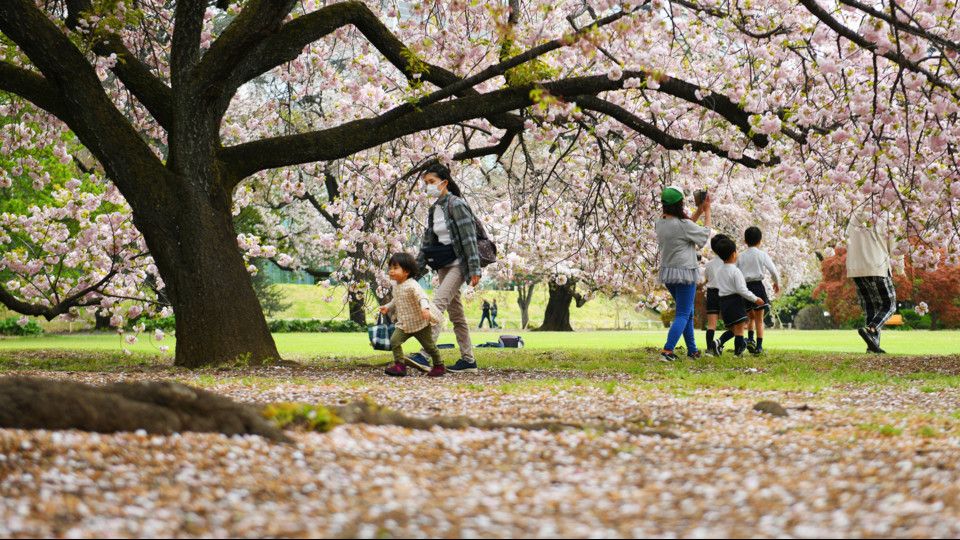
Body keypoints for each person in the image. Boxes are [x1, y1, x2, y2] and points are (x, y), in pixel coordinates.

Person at [409, 163, 482, 373]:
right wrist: (413, 273)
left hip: (459, 263)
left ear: (444, 182)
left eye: (431, 182)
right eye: (426, 183)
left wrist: (474, 268)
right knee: (456, 315)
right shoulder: (434, 210)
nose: (428, 187)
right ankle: (468, 361)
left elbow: (469, 238)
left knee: (436, 305)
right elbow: (427, 244)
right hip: (443, 265)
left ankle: (424, 354)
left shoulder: (456, 204)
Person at [655, 186, 712, 362]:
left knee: (687, 311)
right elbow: (703, 236)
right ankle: (667, 350)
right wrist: (707, 212)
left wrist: (698, 212)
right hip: (685, 273)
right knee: (683, 313)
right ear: (679, 205)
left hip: (669, 274)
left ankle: (693, 350)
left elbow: (686, 227)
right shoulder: (683, 225)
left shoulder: (660, 222)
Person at [380, 253, 444, 377]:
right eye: (390, 268)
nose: (391, 271)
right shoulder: (396, 286)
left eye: (395, 268)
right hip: (404, 324)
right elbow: (396, 300)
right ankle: (400, 366)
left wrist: (425, 308)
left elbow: (422, 297)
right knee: (394, 341)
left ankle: (439, 365)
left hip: (420, 324)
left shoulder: (412, 285)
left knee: (429, 346)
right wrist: (387, 307)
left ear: (406, 271)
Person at [847, 209, 896, 354]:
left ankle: (872, 346)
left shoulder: (854, 216)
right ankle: (872, 329)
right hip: (877, 266)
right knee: (890, 304)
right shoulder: (888, 215)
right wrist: (900, 267)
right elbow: (895, 247)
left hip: (856, 269)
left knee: (871, 308)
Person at [712, 236, 766, 357]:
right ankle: (738, 353)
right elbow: (742, 289)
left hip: (723, 302)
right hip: (734, 301)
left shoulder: (719, 270)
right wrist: (755, 299)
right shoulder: (735, 271)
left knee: (734, 329)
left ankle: (719, 342)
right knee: (740, 329)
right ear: (733, 254)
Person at [737, 226, 781, 355]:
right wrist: (776, 283)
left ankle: (750, 339)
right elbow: (773, 270)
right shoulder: (762, 254)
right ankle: (759, 347)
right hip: (758, 286)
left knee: (750, 317)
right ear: (760, 240)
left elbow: (735, 271)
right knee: (759, 319)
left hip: (745, 288)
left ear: (745, 241)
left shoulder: (741, 256)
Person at [703, 234, 729, 357]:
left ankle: (709, 349)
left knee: (711, 325)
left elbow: (707, 278)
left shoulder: (708, 264)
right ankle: (720, 342)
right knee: (733, 324)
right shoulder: (729, 264)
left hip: (712, 293)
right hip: (726, 294)